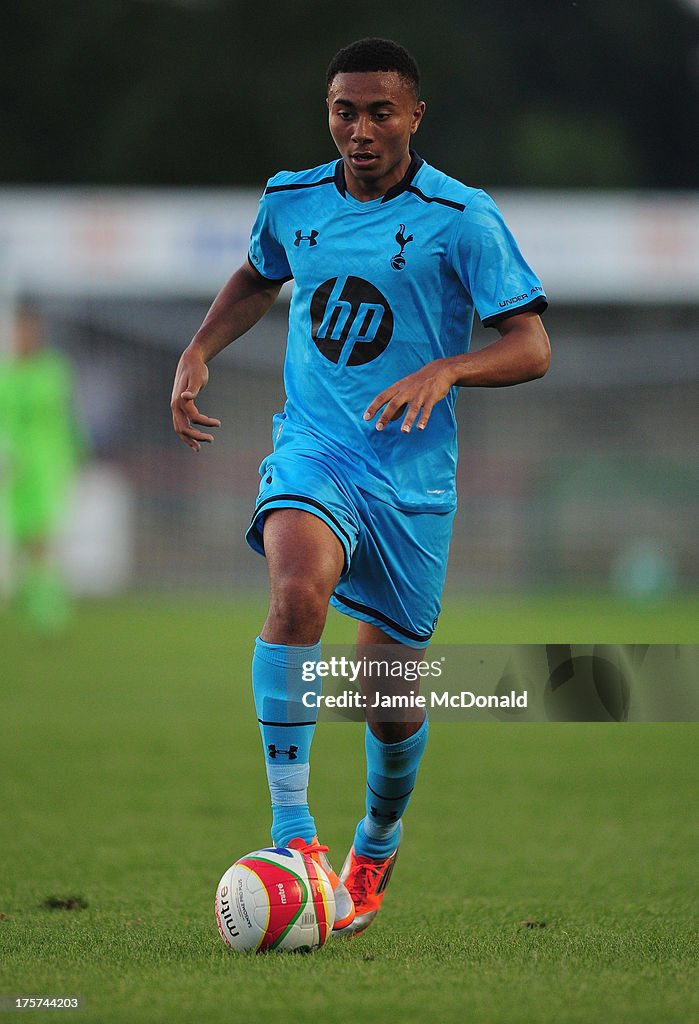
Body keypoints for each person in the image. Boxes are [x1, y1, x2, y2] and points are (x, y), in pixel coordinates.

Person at [171, 37, 550, 937]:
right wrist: (196, 351)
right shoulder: (291, 198)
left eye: (381, 110)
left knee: (384, 695)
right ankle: (294, 838)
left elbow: (531, 345)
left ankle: (376, 837)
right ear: (328, 113)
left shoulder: (462, 217)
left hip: (411, 481)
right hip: (315, 451)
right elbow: (257, 278)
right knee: (296, 590)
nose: (360, 128)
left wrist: (449, 370)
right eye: (345, 109)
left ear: (416, 115)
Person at [0, 302, 84, 633]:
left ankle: (47, 607)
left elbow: (65, 417)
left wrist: (77, 451)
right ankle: (37, 599)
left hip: (48, 462)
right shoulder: (8, 374)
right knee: (23, 536)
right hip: (15, 465)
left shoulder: (53, 370)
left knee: (41, 534)